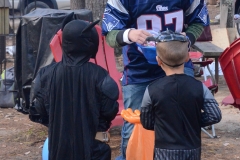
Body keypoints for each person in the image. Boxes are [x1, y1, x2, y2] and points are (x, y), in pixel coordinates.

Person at [102, 0, 209, 159]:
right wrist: (129, 34)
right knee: (134, 124)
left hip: (177, 63)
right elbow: (110, 34)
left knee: (185, 121)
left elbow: (198, 21)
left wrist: (188, 37)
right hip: (139, 67)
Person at [29, 13, 119, 160]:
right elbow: (110, 109)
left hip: (58, 150)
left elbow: (38, 111)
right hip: (94, 150)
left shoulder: (45, 75)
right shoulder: (100, 76)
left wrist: (59, 124)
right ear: (89, 43)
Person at [140, 30, 222, 160]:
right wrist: (193, 120)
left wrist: (164, 122)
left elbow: (146, 122)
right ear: (187, 58)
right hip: (191, 149)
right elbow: (215, 115)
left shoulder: (151, 90)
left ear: (158, 61)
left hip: (164, 150)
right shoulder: (200, 87)